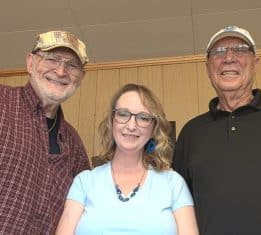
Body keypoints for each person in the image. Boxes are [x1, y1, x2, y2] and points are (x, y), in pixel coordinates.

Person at [172, 25, 261, 235]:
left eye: (240, 49)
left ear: (255, 63)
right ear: (208, 67)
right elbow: (179, 207)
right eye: (219, 52)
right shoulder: (191, 133)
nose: (229, 58)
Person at [55, 83, 199, 235]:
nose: (131, 126)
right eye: (123, 114)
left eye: (143, 118)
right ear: (112, 121)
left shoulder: (174, 184)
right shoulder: (84, 182)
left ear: (153, 129)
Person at [0, 31, 91, 234]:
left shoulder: (75, 144)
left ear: (81, 78)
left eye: (72, 65)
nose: (60, 71)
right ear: (30, 63)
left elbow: (82, 214)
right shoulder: (2, 102)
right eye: (51, 58)